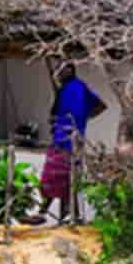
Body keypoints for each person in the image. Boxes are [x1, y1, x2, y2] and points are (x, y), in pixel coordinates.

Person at [39, 65, 107, 224]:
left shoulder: (78, 88)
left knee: (58, 174)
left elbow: (101, 106)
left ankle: (44, 211)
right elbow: (54, 114)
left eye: (60, 72)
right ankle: (67, 215)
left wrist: (82, 118)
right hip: (63, 137)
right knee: (65, 177)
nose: (58, 75)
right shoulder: (66, 90)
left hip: (67, 140)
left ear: (69, 71)